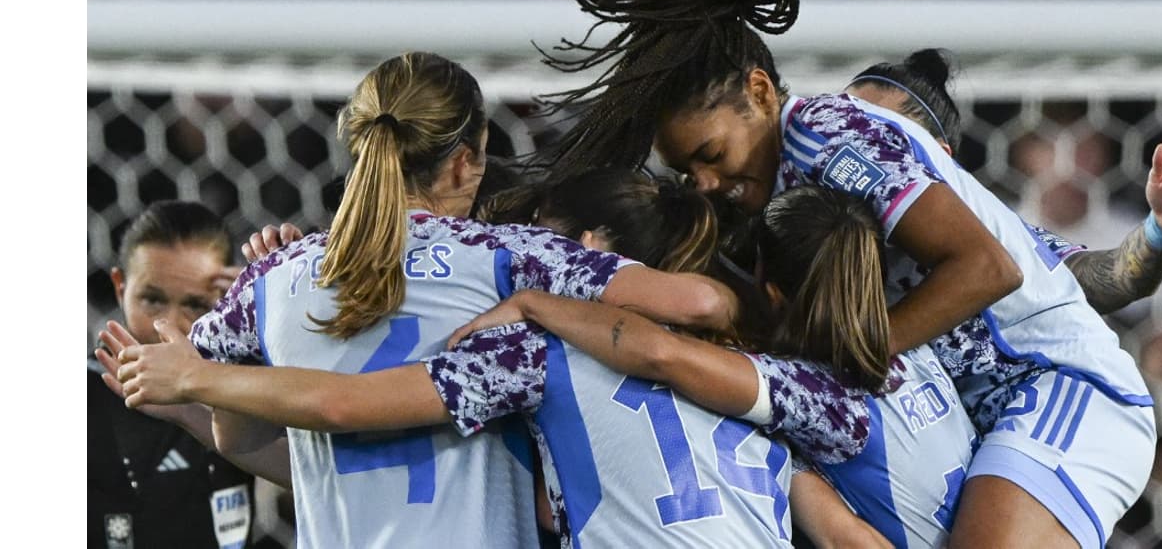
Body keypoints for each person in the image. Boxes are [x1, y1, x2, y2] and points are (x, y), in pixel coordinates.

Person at [532, 0, 1159, 548]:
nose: (705, 183)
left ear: (760, 93)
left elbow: (990, 267)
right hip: (963, 420)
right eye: (687, 172)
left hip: (1052, 389)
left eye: (710, 154)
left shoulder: (827, 135)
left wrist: (856, 356)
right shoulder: (771, 199)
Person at [109, 168, 889, 548]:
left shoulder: (528, 356)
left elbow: (344, 408)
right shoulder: (791, 387)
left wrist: (207, 372)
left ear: (591, 254)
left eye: (544, 240)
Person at [156, 52, 738, 548]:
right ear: (465, 161)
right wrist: (539, 306)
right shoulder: (512, 259)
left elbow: (237, 436)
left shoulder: (271, 275)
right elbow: (702, 304)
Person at [453, 184, 981, 548]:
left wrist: (535, 302)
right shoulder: (921, 344)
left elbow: (663, 354)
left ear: (769, 291)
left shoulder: (809, 394)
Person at [843, 48, 1162, 317]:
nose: (847, 142)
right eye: (838, 120)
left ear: (936, 156)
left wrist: (1160, 231)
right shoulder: (809, 222)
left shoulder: (997, 236)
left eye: (878, 133)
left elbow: (1114, 278)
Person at [89, 200, 289, 549]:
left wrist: (267, 312)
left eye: (196, 305)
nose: (169, 326)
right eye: (152, 300)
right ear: (120, 287)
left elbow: (313, 475)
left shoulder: (244, 384)